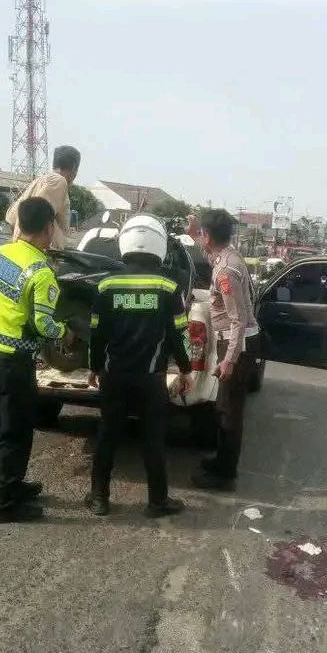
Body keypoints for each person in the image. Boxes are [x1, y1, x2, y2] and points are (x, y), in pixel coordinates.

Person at [0, 197, 74, 522]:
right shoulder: (41, 272)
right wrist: (65, 333)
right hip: (13, 361)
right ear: (49, 227)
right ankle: (5, 504)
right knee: (15, 430)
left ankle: (11, 484)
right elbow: (43, 324)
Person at [86, 214, 192, 518]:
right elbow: (179, 334)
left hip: (113, 376)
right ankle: (157, 502)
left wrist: (94, 366)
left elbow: (96, 333)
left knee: (107, 435)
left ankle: (99, 499)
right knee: (153, 439)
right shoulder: (168, 287)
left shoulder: (106, 285)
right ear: (159, 246)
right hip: (151, 378)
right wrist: (185, 370)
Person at [187, 209, 259, 491]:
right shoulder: (226, 256)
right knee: (223, 407)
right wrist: (195, 233)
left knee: (229, 411)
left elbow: (237, 319)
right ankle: (221, 461)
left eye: (202, 234)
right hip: (234, 341)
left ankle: (225, 474)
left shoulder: (226, 271)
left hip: (236, 343)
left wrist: (230, 360)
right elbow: (209, 257)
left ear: (208, 236)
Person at [5, 145, 81, 250]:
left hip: (24, 248)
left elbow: (12, 218)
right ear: (74, 167)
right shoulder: (58, 181)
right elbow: (36, 215)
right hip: (38, 251)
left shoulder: (40, 180)